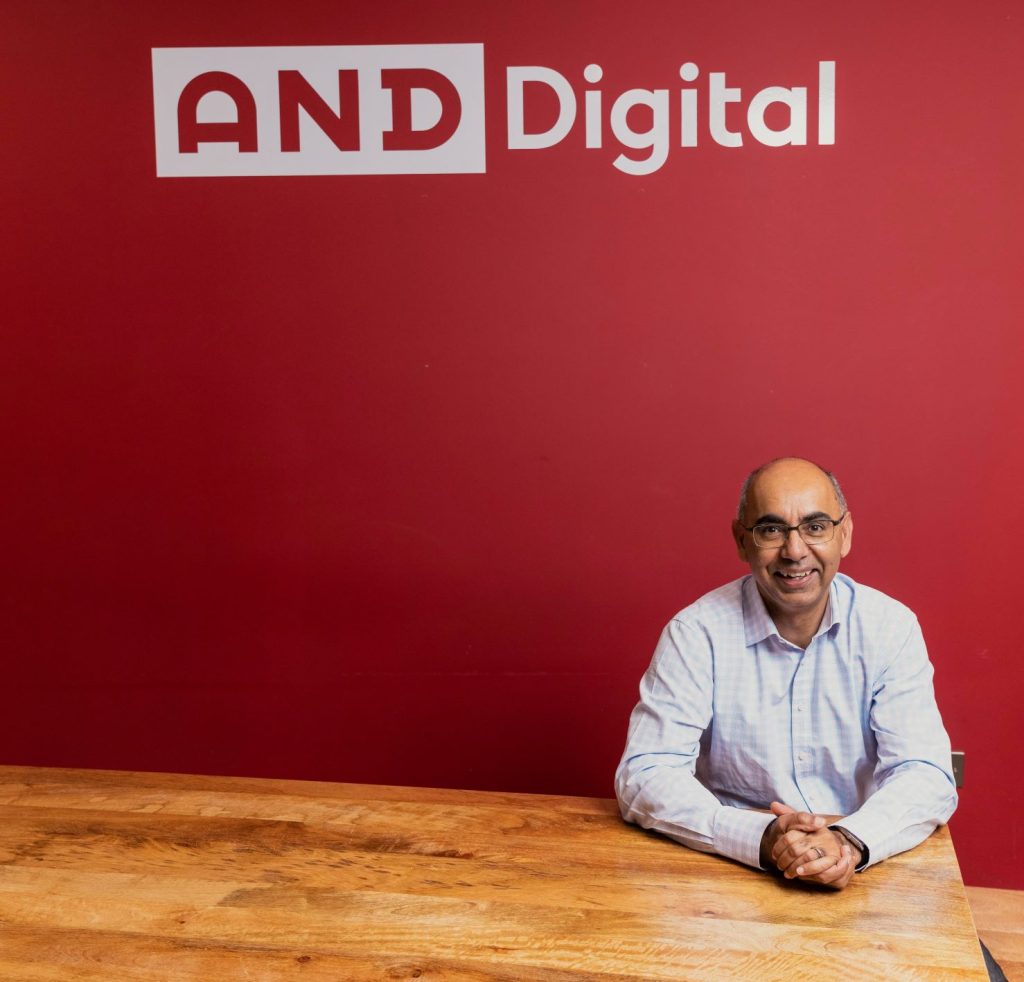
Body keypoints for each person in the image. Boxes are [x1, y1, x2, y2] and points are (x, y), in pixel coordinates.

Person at [615, 457, 957, 889]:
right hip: (726, 872)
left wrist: (848, 841)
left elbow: (926, 772)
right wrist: (760, 839)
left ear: (844, 534)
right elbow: (644, 775)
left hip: (865, 868)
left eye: (815, 527)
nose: (794, 551)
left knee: (982, 962)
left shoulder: (890, 627)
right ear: (742, 541)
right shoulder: (696, 633)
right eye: (771, 530)